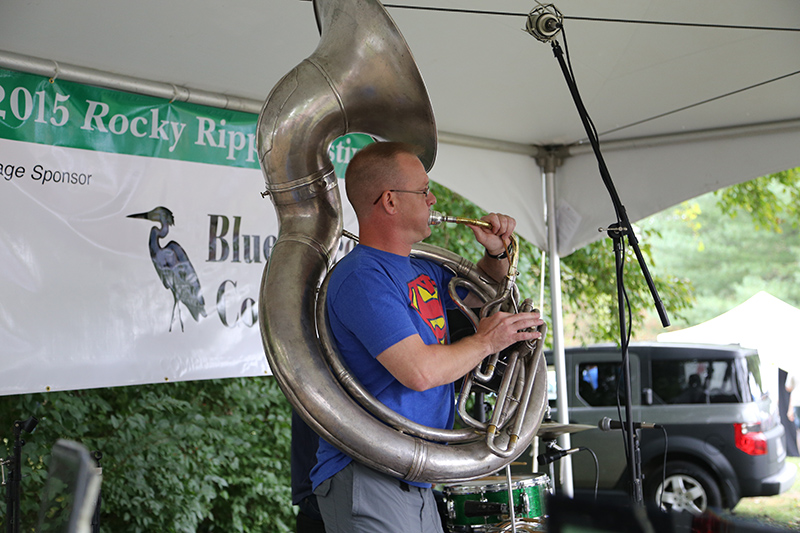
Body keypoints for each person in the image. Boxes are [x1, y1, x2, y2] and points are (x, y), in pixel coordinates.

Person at [310, 141, 544, 533]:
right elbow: (418, 371)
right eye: (423, 190)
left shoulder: (423, 270)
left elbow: (483, 295)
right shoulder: (362, 277)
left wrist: (496, 256)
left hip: (412, 472)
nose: (433, 198)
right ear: (389, 201)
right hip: (369, 472)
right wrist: (487, 343)